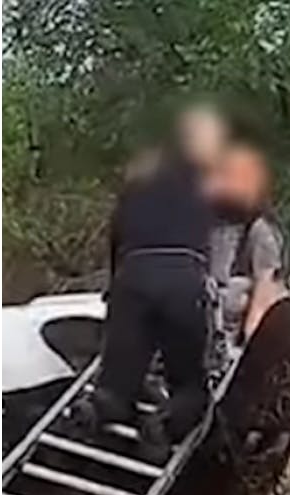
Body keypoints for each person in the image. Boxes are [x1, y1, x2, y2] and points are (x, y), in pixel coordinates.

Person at [90, 105, 226, 458]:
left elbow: (116, 239)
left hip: (132, 277)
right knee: (191, 386)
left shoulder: (135, 185)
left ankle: (101, 408)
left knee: (116, 386)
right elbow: (214, 242)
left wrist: (115, 287)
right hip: (183, 278)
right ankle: (166, 422)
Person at [207, 144, 286, 358]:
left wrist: (250, 345)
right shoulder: (208, 224)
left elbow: (267, 290)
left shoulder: (259, 230)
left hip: (233, 340)